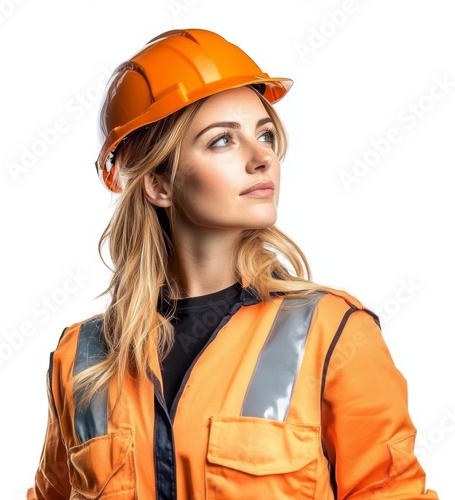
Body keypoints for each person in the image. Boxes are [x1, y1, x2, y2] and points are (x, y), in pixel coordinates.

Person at [27, 29, 438, 499]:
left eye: (265, 134)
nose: (263, 158)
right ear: (158, 182)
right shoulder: (81, 358)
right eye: (223, 141)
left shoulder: (332, 334)